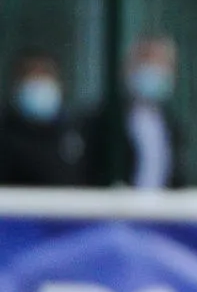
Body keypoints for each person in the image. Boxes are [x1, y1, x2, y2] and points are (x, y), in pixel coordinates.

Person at [85, 35, 184, 188]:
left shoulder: (172, 124)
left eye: (161, 64)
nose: (154, 70)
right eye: (147, 61)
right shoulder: (106, 118)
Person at [0, 50, 85, 185]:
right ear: (16, 84)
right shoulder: (5, 134)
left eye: (46, 73)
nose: (39, 82)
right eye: (31, 74)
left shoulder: (74, 132)